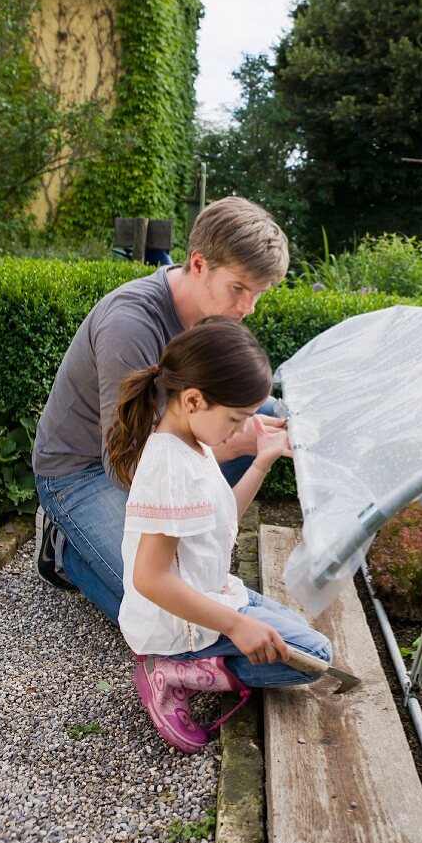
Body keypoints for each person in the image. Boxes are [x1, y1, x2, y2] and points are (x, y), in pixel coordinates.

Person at [33, 197, 290, 625]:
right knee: (165, 611)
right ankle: (68, 551)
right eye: (239, 289)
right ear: (199, 263)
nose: (248, 308)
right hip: (83, 471)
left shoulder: (212, 309)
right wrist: (228, 446)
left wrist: (264, 429)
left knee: (257, 408)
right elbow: (125, 462)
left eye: (258, 294)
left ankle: (181, 538)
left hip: (154, 447)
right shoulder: (131, 325)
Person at [106, 315, 331, 753]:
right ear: (193, 400)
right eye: (236, 418)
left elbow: (221, 521)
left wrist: (261, 460)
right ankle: (169, 673)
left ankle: (208, 653)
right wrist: (234, 624)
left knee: (298, 639)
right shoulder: (170, 464)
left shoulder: (195, 442)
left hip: (212, 593)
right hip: (179, 625)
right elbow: (149, 578)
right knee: (314, 658)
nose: (241, 430)